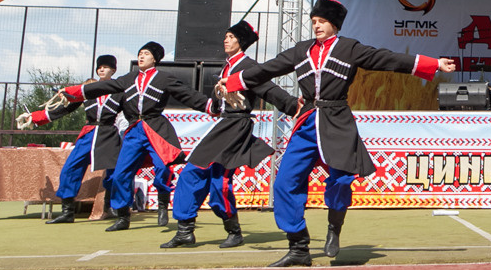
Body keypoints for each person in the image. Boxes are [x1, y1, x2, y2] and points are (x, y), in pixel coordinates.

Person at [218, 0, 455, 267]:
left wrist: (433, 64)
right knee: (284, 182)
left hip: (337, 121)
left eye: (322, 22)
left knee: (341, 181)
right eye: (314, 22)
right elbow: (267, 68)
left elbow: (386, 58)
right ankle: (298, 246)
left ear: (334, 24)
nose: (317, 26)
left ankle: (334, 227)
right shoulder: (301, 50)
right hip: (307, 121)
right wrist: (234, 80)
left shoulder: (348, 48)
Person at [161, 21, 298, 249]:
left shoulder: (249, 66)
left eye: (231, 36)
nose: (226, 40)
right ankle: (185, 229)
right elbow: (217, 104)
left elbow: (270, 90)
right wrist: (211, 104)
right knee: (191, 172)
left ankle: (233, 231)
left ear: (241, 42)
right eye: (225, 36)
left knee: (220, 182)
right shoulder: (226, 68)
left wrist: (294, 106)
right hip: (223, 126)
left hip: (237, 127)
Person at [60, 41, 216, 231]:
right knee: (120, 174)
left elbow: (187, 95)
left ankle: (162, 202)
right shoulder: (128, 78)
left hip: (156, 128)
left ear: (155, 59)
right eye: (140, 53)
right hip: (134, 130)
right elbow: (103, 87)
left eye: (146, 54)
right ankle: (123, 216)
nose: (141, 56)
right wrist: (72, 92)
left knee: (163, 169)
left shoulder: (164, 78)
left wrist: (211, 106)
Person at [23, 55, 125, 224]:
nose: (101, 69)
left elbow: (131, 112)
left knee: (114, 173)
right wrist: (34, 118)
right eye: (99, 67)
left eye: (106, 67)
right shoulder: (86, 91)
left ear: (113, 70)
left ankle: (113, 208)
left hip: (109, 134)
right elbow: (63, 109)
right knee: (70, 169)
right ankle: (67, 212)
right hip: (89, 133)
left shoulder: (119, 92)